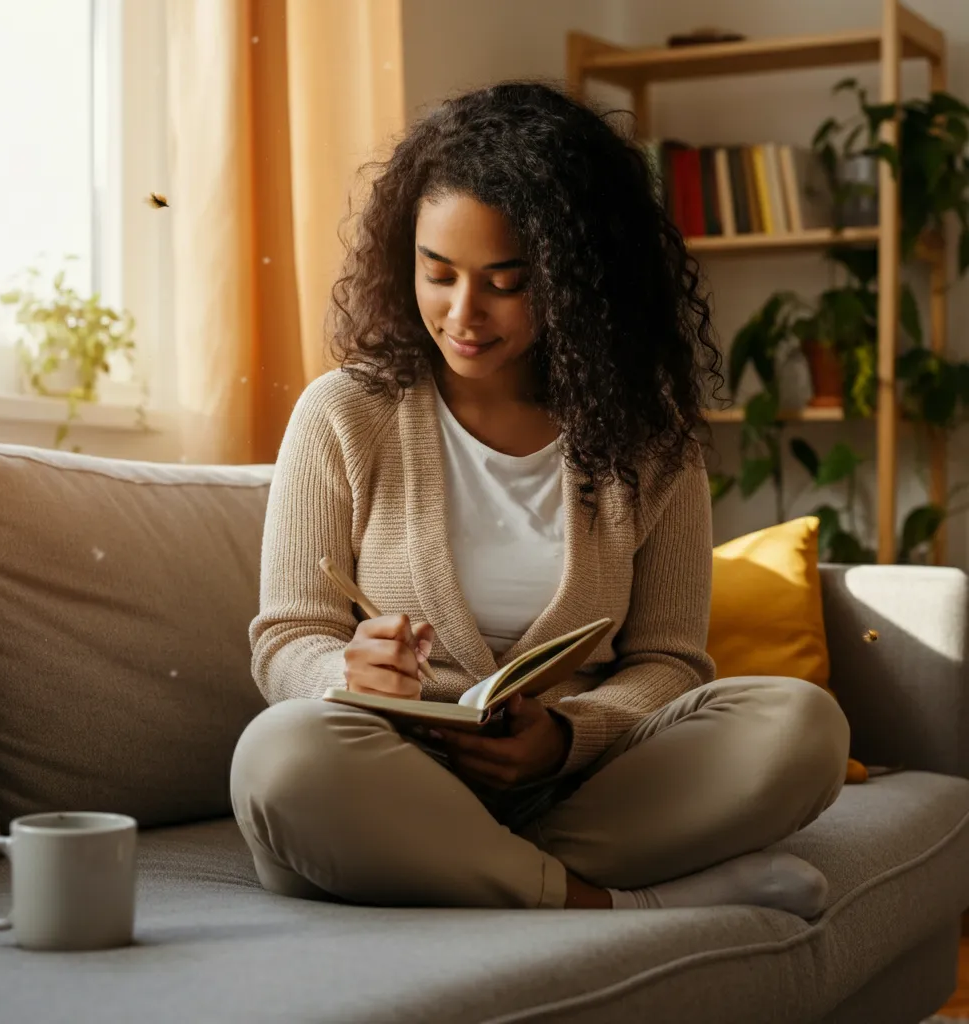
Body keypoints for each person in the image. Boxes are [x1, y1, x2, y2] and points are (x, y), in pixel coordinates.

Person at [230, 81, 849, 915]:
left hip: (578, 792)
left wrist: (565, 738)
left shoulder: (649, 439)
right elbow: (286, 639)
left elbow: (668, 662)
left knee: (801, 725)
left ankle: (480, 877)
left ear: (577, 280)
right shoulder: (344, 412)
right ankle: (618, 906)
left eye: (507, 282)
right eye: (437, 273)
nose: (463, 313)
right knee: (282, 758)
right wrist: (347, 671)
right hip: (386, 777)